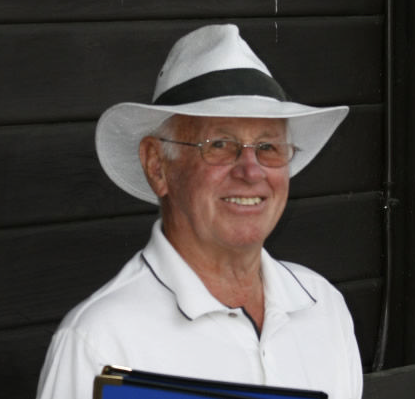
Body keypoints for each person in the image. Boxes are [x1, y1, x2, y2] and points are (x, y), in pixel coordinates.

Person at [36, 24, 363, 399]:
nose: (251, 171)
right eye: (220, 144)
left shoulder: (324, 308)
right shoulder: (100, 341)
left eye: (269, 147)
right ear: (158, 166)